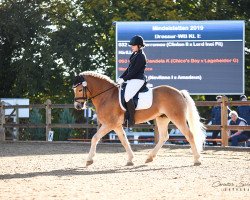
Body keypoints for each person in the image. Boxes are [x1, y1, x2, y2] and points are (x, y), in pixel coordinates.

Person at [117, 35, 147, 126]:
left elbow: (134, 72)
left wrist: (124, 79)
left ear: (139, 46)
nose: (131, 47)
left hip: (138, 79)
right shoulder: (134, 55)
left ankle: (131, 119)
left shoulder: (141, 56)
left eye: (133, 45)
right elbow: (128, 69)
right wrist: (121, 77)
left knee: (127, 96)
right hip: (132, 79)